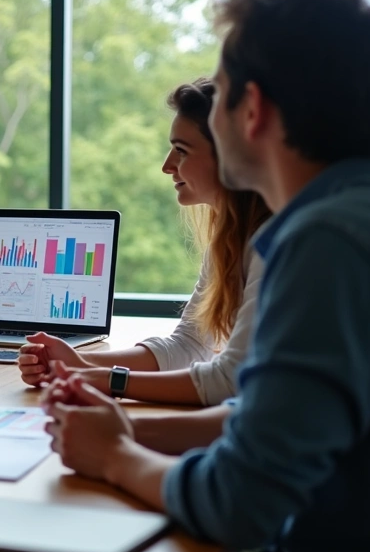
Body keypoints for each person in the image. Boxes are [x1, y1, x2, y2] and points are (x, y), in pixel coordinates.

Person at [45, 0, 370, 552]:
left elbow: (240, 505)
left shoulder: (333, 245)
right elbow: (267, 419)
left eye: (220, 100)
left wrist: (114, 458)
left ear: (253, 111)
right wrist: (126, 430)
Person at [18, 79, 271, 406]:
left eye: (181, 150)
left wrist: (109, 382)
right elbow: (190, 346)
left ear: (227, 158)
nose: (167, 166)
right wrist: (71, 365)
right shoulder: (228, 242)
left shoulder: (270, 244)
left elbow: (229, 381)